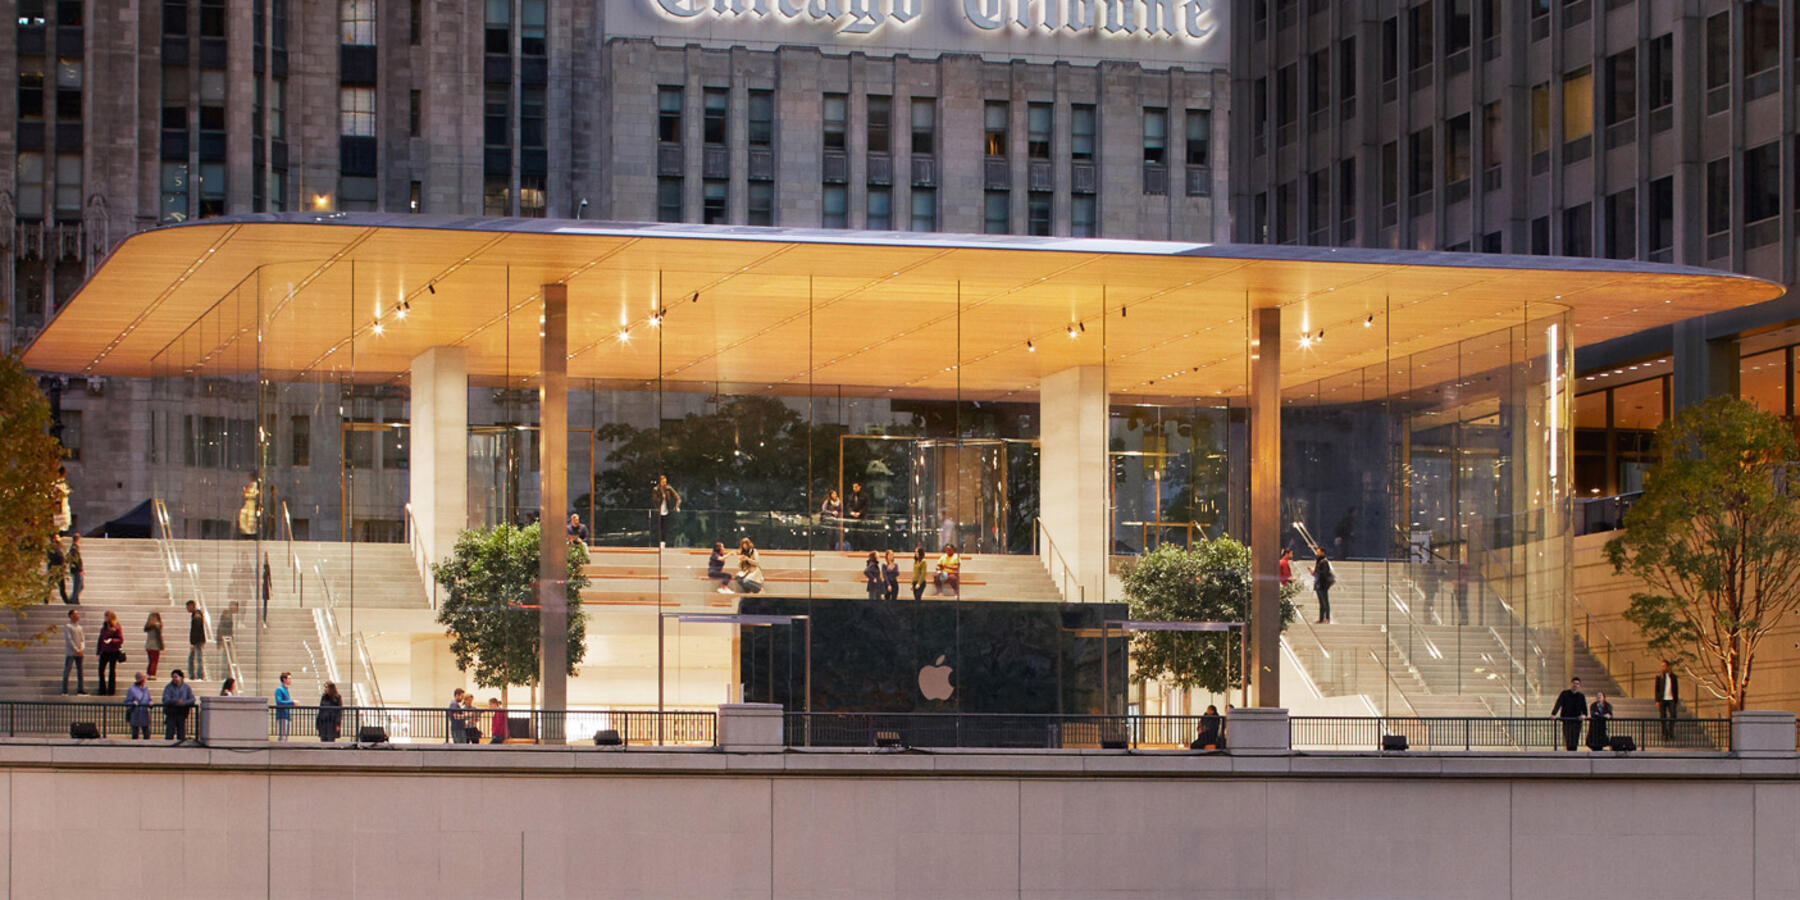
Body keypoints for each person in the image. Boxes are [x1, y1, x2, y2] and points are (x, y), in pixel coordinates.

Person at [1550, 677, 1587, 752]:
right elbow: (1558, 703)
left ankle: (1573, 752)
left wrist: (1584, 715)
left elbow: (1584, 708)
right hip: (1566, 720)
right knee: (1568, 738)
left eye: (1577, 684)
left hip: (1577, 721)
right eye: (1574, 683)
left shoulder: (1581, 696)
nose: (1575, 685)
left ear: (1579, 685)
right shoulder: (1564, 694)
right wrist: (1553, 713)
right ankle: (1570, 752)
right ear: (1571, 684)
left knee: (1575, 738)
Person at [161, 669, 196, 741]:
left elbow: (192, 699)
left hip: (182, 713)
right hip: (171, 713)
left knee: (181, 733)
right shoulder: (168, 687)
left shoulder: (186, 687)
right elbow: (165, 699)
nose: (174, 679)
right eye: (173, 677)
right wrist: (175, 701)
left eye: (176, 677)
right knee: (169, 733)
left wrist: (184, 703)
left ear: (181, 677)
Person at [96, 610, 123, 695]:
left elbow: (120, 639)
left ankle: (111, 690)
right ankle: (102, 689)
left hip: (113, 651)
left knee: (112, 671)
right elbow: (100, 639)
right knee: (101, 670)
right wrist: (98, 651)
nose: (105, 618)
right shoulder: (104, 627)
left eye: (107, 616)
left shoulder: (117, 627)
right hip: (104, 651)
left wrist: (111, 640)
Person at [60, 609, 86, 695]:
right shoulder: (68, 626)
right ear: (70, 616)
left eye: (77, 614)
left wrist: (81, 648)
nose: (77, 616)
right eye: (75, 614)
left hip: (79, 652)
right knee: (67, 670)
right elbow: (69, 639)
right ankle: (64, 690)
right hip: (71, 652)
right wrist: (76, 649)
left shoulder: (80, 627)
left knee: (80, 671)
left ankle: (80, 689)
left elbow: (82, 639)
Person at [652, 474, 681, 547]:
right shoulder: (656, 489)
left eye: (665, 482)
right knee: (659, 527)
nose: (664, 483)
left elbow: (678, 498)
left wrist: (676, 506)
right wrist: (662, 497)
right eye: (663, 482)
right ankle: (658, 542)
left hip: (667, 510)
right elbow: (655, 500)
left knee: (667, 527)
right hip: (659, 511)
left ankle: (666, 543)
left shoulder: (668, 488)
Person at [1655, 660, 1680, 741]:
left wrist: (1676, 700)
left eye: (1665, 666)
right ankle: (1664, 733)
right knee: (1663, 716)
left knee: (1673, 715)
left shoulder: (1673, 677)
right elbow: (1656, 689)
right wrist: (1657, 700)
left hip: (1671, 699)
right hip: (1662, 699)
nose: (1663, 667)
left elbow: (1676, 689)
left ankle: (1670, 732)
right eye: (1662, 666)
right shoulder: (1660, 676)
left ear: (1668, 666)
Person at [1309, 548, 1335, 624]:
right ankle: (1321, 618)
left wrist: (1314, 572)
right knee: (1322, 602)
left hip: (1322, 584)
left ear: (1322, 553)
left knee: (1325, 601)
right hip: (1319, 584)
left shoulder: (1324, 562)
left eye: (1318, 552)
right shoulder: (1319, 561)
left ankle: (1326, 618)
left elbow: (1323, 573)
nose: (1317, 554)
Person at [124, 673, 152, 739]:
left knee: (146, 732)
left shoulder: (146, 689)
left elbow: (148, 698)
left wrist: (150, 702)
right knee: (135, 732)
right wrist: (132, 703)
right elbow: (127, 701)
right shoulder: (131, 689)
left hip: (144, 712)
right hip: (135, 712)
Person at [185, 600, 206, 681]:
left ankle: (198, 675)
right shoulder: (196, 614)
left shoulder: (196, 615)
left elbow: (196, 630)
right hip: (198, 640)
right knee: (196, 658)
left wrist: (193, 643)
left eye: (188, 607)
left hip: (197, 641)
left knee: (196, 658)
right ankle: (196, 675)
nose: (187, 609)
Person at [273, 672, 296, 740]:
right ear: (284, 679)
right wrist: (292, 702)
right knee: (282, 736)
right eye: (289, 678)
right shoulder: (279, 690)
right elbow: (279, 702)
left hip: (286, 716)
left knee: (285, 736)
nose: (290, 680)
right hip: (282, 716)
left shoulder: (285, 690)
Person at [237, 474, 259, 539]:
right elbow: (245, 494)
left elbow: (252, 494)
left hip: (251, 505)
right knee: (243, 516)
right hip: (248, 504)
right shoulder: (249, 486)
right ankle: (246, 532)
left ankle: (250, 532)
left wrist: (247, 493)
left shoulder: (254, 486)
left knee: (250, 519)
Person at [143, 611, 164, 679]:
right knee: (154, 661)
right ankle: (152, 674)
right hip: (155, 645)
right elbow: (159, 636)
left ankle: (148, 673)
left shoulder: (148, 625)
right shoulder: (157, 625)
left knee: (150, 660)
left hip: (148, 645)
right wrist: (162, 645)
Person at [46, 537, 66, 604]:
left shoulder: (55, 549)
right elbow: (58, 559)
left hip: (55, 569)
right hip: (55, 569)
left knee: (59, 586)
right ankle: (66, 600)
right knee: (60, 586)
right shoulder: (54, 549)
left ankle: (66, 600)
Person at [52, 465, 71, 534]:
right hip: (59, 514)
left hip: (63, 510)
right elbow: (57, 499)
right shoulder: (57, 484)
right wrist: (58, 512)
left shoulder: (61, 483)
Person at [66, 534, 83, 604]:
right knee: (77, 585)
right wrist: (80, 569)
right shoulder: (74, 548)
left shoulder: (75, 547)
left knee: (80, 585)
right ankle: (74, 600)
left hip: (76, 569)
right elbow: (76, 560)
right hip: (76, 570)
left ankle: (72, 598)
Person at [261, 553, 272, 625]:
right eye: (265, 557)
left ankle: (264, 619)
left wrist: (271, 588)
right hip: (261, 587)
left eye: (267, 557)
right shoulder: (260, 566)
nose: (266, 558)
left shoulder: (267, 567)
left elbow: (269, 578)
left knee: (265, 604)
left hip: (265, 587)